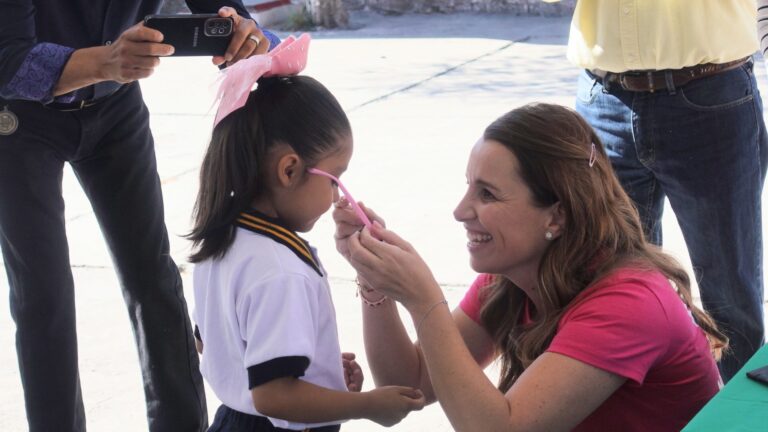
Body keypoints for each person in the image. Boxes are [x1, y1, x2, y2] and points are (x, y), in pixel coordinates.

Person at [334, 103, 728, 431]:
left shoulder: (629, 302)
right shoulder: (515, 273)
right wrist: (374, 282)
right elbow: (410, 384)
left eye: (487, 193)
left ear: (556, 216)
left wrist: (425, 302)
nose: (460, 211)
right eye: (468, 185)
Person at [0, 1, 278, 431]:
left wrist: (245, 33)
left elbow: (230, 15)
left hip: (115, 108)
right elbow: (9, 62)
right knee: (43, 294)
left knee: (153, 277)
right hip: (19, 118)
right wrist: (106, 61)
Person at [188, 36, 426, 431]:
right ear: (289, 170)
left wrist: (318, 370)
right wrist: (366, 405)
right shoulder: (280, 270)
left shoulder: (224, 242)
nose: (338, 196)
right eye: (336, 179)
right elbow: (275, 395)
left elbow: (212, 342)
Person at [559, 0, 766, 381]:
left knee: (730, 296)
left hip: (709, 94)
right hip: (603, 100)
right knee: (610, 286)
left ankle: (742, 420)